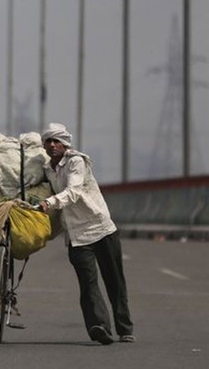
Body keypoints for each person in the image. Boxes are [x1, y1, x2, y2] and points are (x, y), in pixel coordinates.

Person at [38, 123, 134, 345]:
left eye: (57, 141)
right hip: (76, 235)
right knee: (88, 283)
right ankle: (99, 326)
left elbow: (73, 191)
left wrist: (49, 202)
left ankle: (125, 327)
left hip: (100, 228)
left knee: (114, 281)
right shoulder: (46, 169)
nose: (52, 145)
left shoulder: (76, 162)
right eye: (48, 141)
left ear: (65, 143)